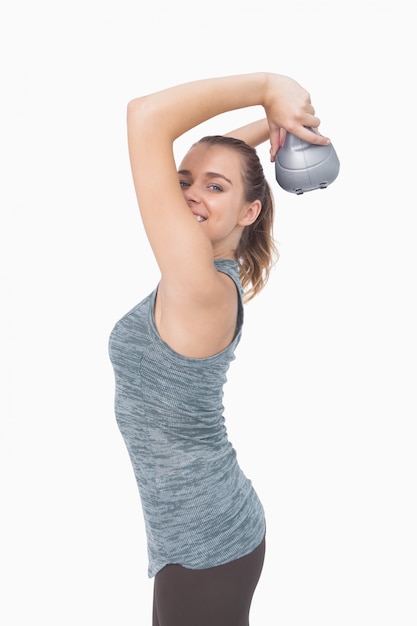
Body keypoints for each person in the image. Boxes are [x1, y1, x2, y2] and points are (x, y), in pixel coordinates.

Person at [109, 72, 330, 626]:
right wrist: (273, 125)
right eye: (184, 181)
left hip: (208, 545)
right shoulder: (202, 273)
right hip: (190, 535)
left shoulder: (200, 288)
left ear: (249, 213)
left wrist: (267, 87)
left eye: (214, 188)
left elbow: (145, 117)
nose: (188, 194)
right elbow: (224, 163)